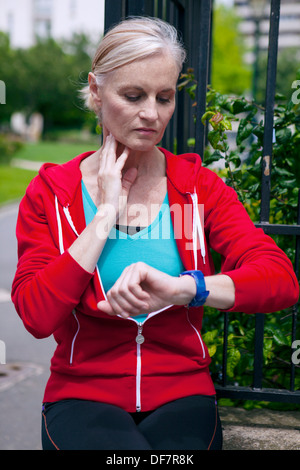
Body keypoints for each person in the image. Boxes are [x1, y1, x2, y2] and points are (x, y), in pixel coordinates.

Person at [11, 17, 298, 451]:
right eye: (133, 95)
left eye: (164, 98)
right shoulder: (52, 193)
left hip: (183, 392)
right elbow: (36, 314)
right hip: (83, 394)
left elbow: (280, 279)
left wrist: (186, 288)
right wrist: (104, 215)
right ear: (95, 90)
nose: (151, 113)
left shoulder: (198, 187)